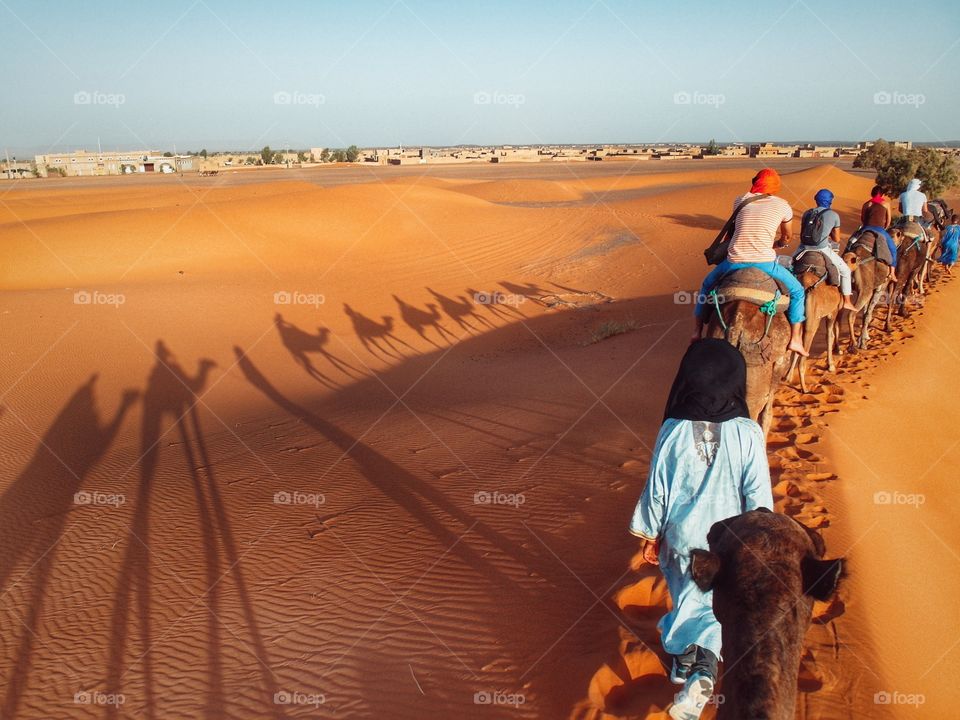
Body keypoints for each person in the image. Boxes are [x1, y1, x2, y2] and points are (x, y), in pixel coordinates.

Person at [630, 339, 774, 720]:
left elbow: (657, 487)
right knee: (713, 608)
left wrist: (650, 532)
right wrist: (759, 540)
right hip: (729, 540)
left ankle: (689, 665)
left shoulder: (673, 429)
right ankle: (703, 671)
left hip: (679, 535)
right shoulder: (748, 432)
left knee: (683, 596)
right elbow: (758, 495)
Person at [694, 169, 808, 355]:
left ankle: (697, 332)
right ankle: (795, 339)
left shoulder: (740, 200)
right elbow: (787, 236)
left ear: (756, 182)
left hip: (734, 262)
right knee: (797, 291)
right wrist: (779, 243)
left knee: (706, 286)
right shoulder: (783, 206)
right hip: (765, 263)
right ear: (775, 186)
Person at [795, 189, 856, 311]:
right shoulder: (833, 215)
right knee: (845, 271)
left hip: (802, 248)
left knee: (789, 266)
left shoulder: (807, 213)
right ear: (830, 201)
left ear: (816, 200)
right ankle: (847, 302)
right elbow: (837, 239)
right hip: (822, 249)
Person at [859, 185, 898, 281]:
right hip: (879, 229)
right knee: (893, 249)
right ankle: (892, 273)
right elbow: (888, 221)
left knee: (851, 242)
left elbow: (863, 218)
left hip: (865, 228)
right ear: (882, 194)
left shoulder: (866, 204)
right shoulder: (886, 204)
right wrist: (884, 228)